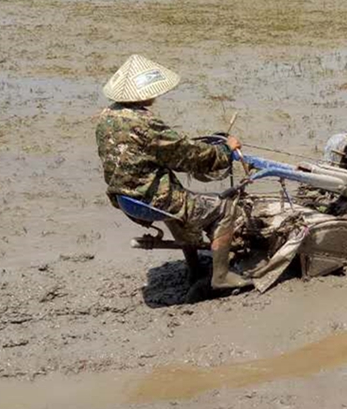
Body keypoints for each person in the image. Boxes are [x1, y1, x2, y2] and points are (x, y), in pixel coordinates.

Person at [95, 54, 250, 291]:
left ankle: (195, 269)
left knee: (179, 210)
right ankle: (221, 276)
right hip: (152, 197)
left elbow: (161, 150)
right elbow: (187, 155)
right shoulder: (144, 123)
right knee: (225, 210)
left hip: (125, 198)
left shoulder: (106, 116)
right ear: (144, 92)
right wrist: (225, 150)